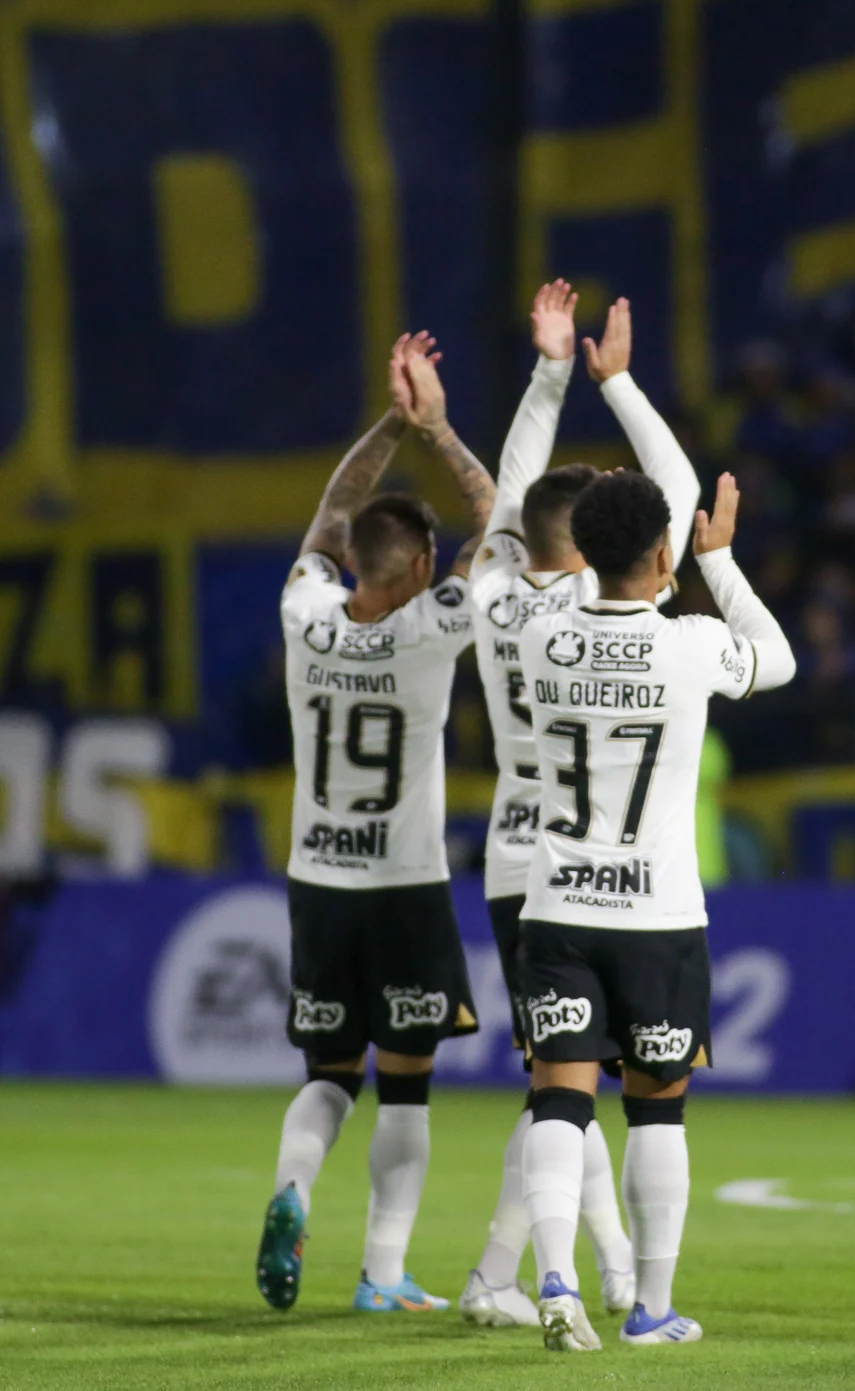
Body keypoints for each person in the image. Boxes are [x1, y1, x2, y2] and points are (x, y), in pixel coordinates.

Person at [459, 286, 701, 1325]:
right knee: (596, 1091)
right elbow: (680, 495)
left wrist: (547, 374)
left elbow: (510, 496)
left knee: (558, 1083)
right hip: (629, 874)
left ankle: (544, 1271)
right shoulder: (623, 611)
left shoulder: (506, 605)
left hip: (523, 861)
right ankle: (585, 1277)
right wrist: (612, 380)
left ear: (520, 540)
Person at [517, 469, 795, 1352]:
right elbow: (778, 658)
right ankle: (651, 1307)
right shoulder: (693, 643)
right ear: (666, 555)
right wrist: (721, 560)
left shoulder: (540, 638)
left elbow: (599, 585)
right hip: (659, 918)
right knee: (656, 1109)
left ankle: (556, 1280)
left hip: (557, 907)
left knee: (558, 1098)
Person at [256, 332, 497, 1314]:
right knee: (406, 1087)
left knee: (328, 1074)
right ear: (422, 563)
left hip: (318, 882)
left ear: (357, 560)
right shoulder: (434, 626)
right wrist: (435, 428)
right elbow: (505, 524)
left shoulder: (305, 613)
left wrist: (388, 426)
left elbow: (328, 514)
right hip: (404, 886)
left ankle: (291, 1188)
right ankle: (382, 1273)